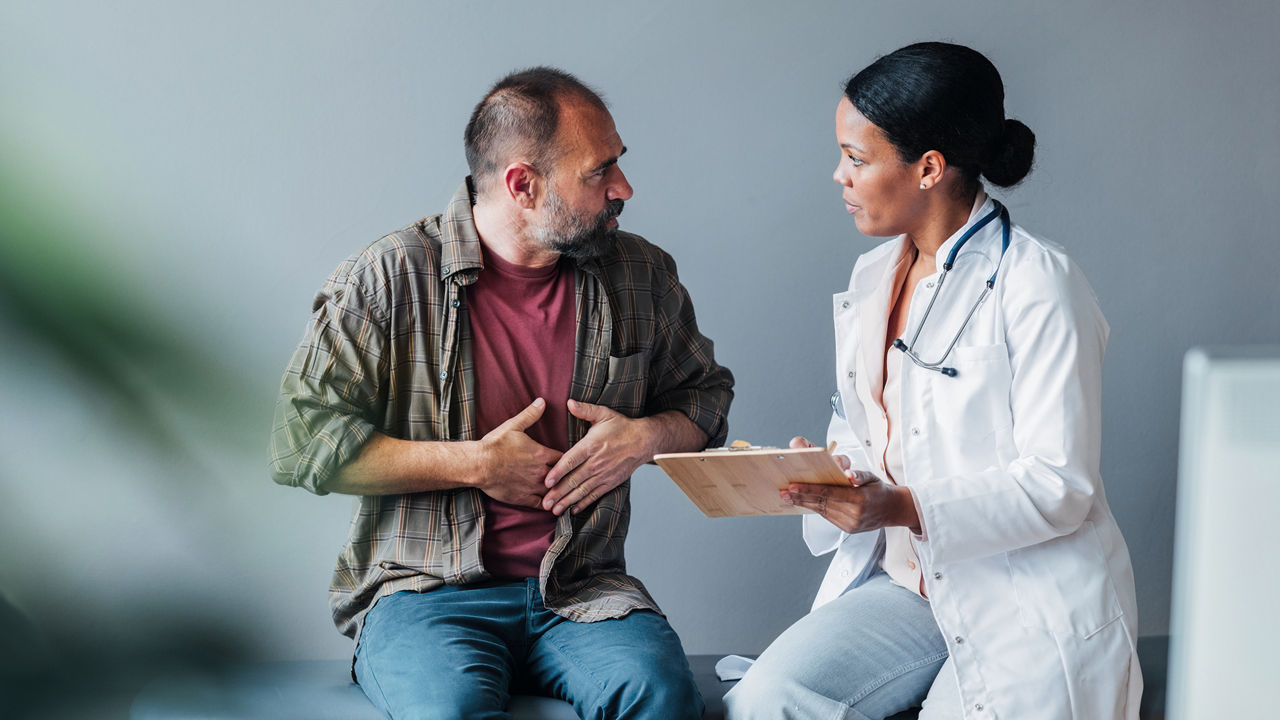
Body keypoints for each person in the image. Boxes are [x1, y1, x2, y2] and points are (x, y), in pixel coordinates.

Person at [269, 67, 733, 720]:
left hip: (581, 590)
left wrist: (649, 436)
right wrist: (475, 464)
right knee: (448, 712)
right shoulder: (387, 276)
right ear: (523, 184)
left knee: (661, 698)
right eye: (601, 172)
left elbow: (705, 398)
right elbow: (299, 446)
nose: (624, 189)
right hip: (423, 595)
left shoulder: (642, 273)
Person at [724, 43, 1141, 720]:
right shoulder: (870, 279)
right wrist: (834, 473)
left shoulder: (1038, 285)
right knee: (766, 700)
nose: (838, 176)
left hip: (1022, 593)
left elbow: (1060, 485)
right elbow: (869, 434)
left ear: (928, 169)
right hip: (910, 587)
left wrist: (902, 505)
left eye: (856, 159)